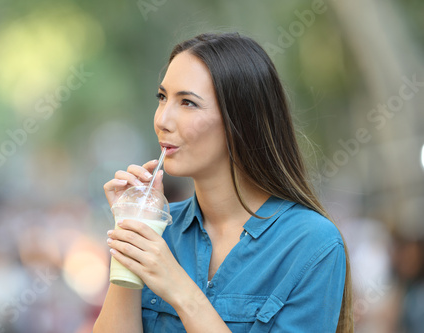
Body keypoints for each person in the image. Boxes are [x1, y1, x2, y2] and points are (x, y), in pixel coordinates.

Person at [93, 32, 353, 332]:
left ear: (240, 119)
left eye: (187, 103)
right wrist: (132, 228)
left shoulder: (311, 243)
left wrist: (181, 291)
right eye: (162, 98)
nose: (163, 119)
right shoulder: (159, 230)